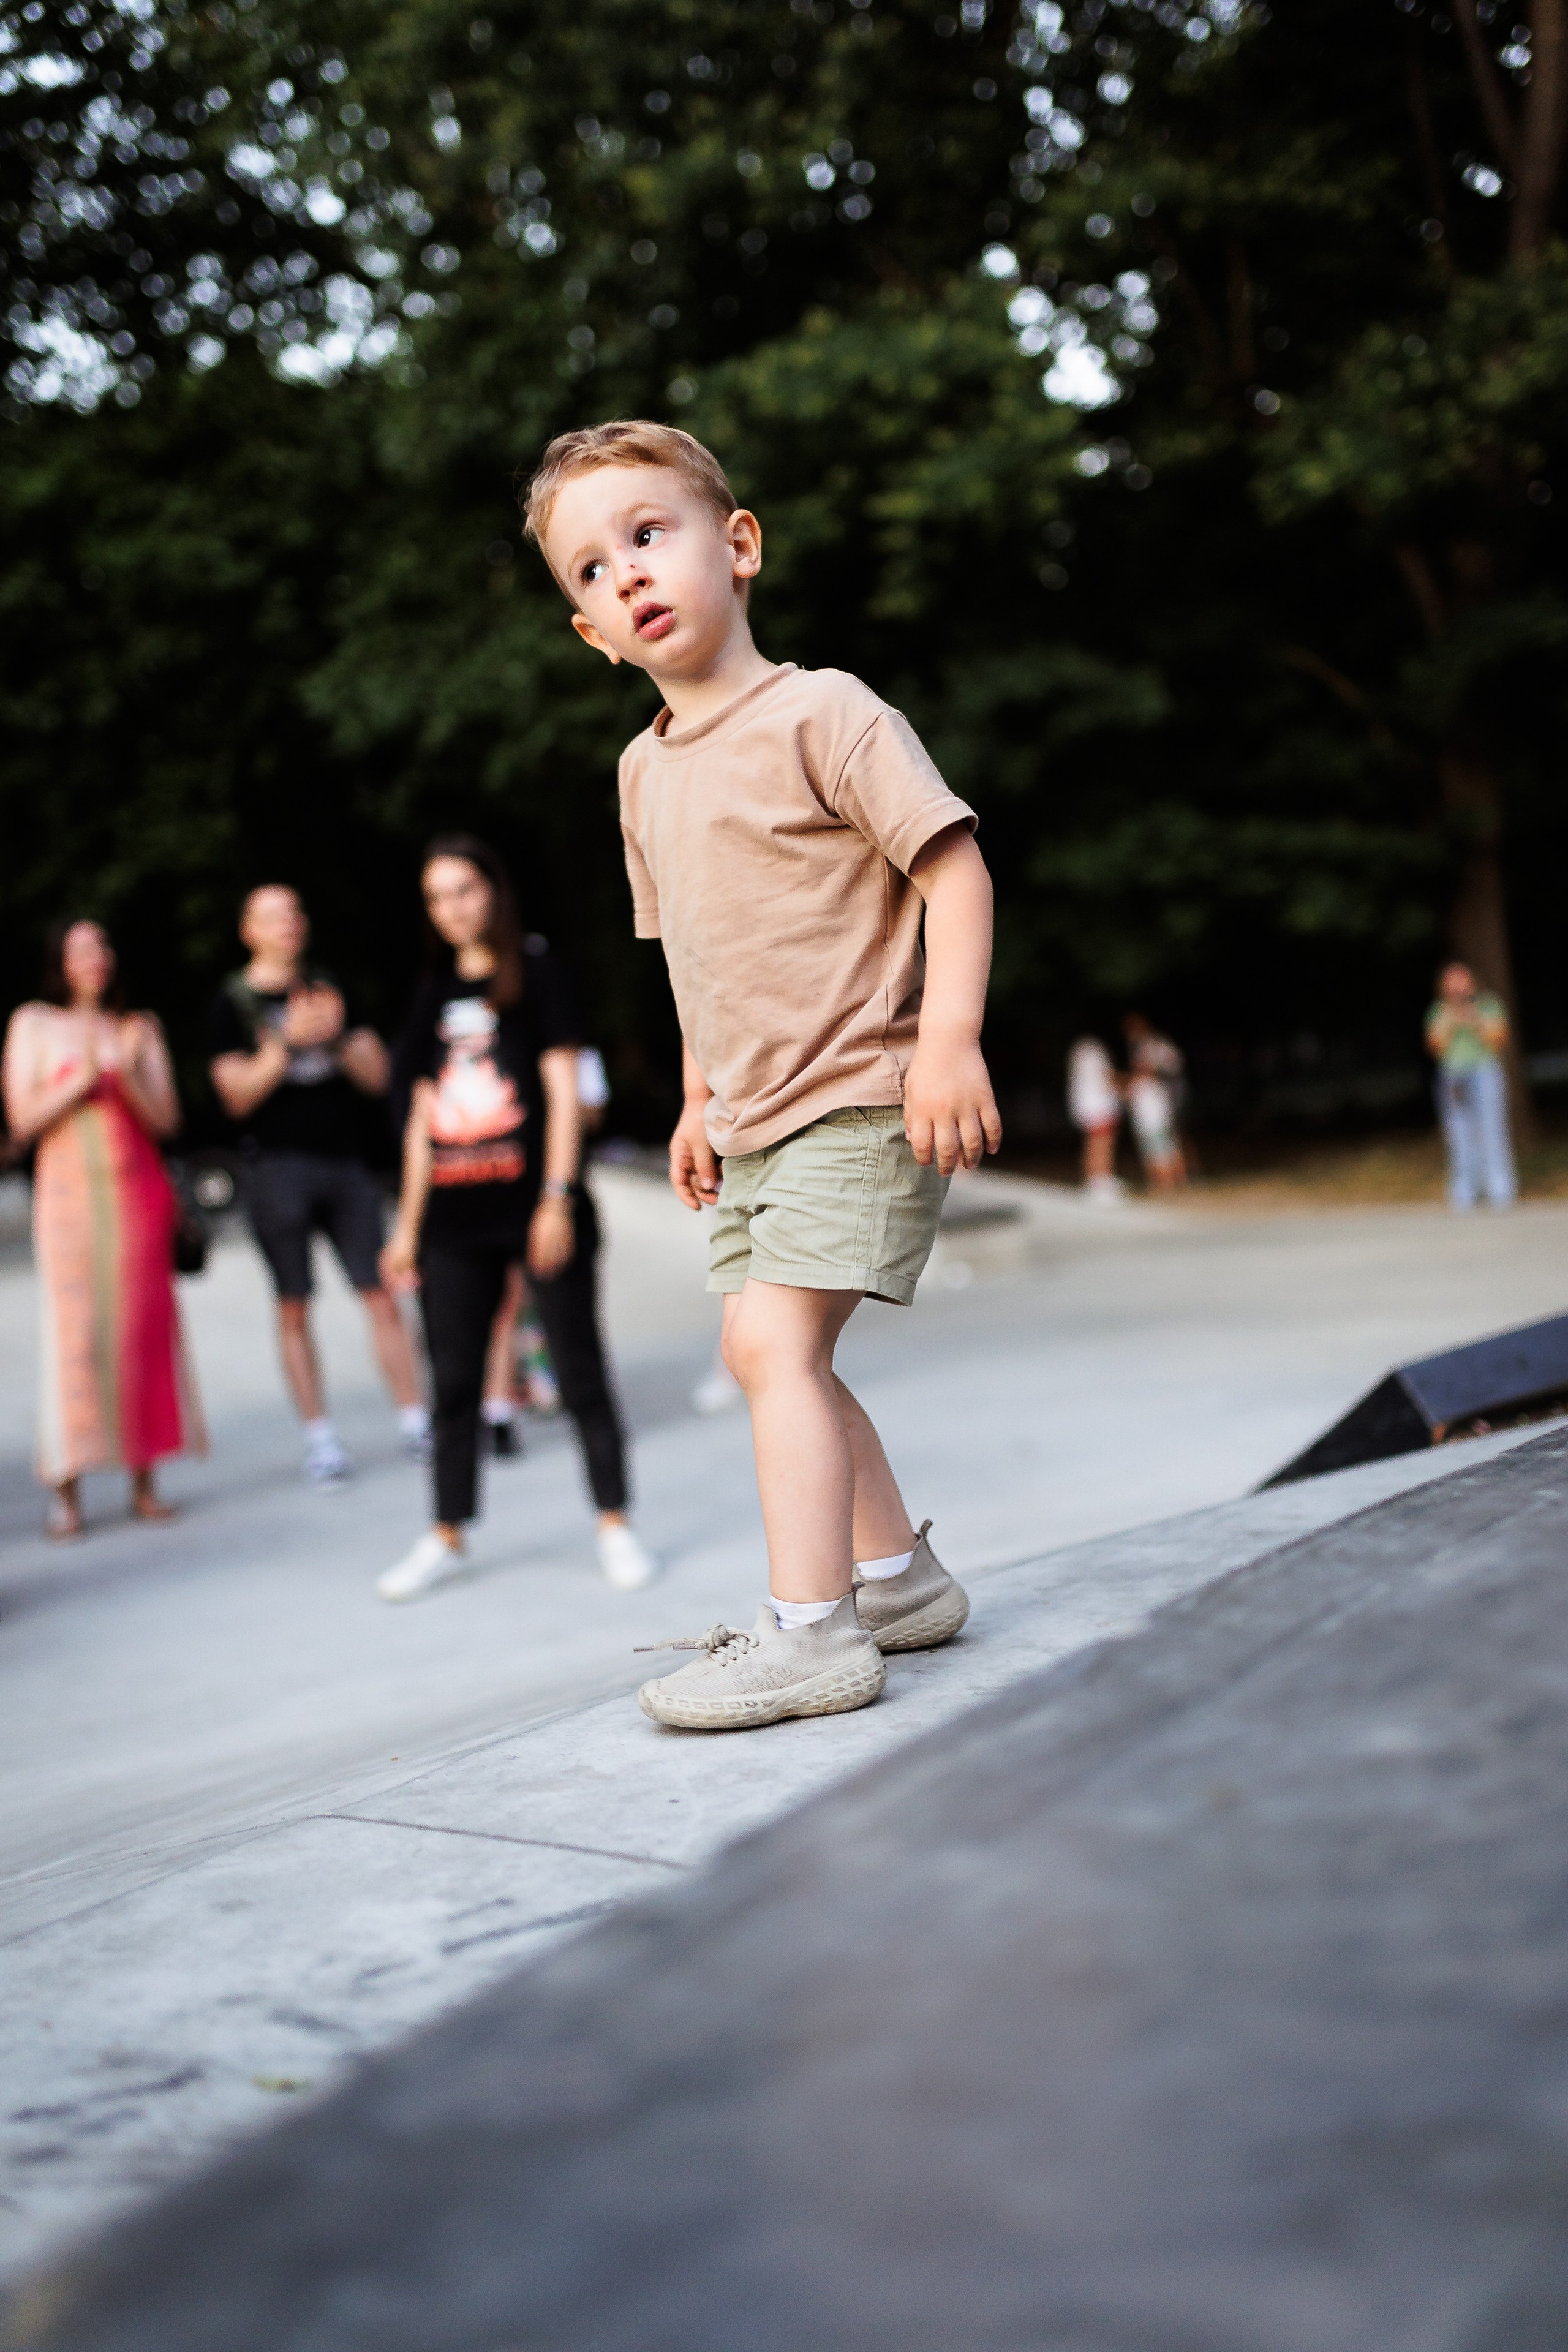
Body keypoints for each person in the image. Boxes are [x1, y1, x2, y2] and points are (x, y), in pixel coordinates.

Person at [524, 418, 1000, 1732]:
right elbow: (696, 956)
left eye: (646, 534)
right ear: (591, 636)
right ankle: (894, 1578)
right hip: (751, 1118)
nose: (622, 574)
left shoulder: (823, 712)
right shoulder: (638, 775)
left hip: (859, 1089)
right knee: (772, 1354)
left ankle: (811, 1635)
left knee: (769, 1343)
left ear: (734, 547)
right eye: (588, 571)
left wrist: (947, 1038)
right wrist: (693, 1098)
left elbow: (951, 868)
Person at [378, 835, 655, 1599]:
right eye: (436, 897)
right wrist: (404, 1229)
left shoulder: (537, 973)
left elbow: (565, 1094)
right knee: (456, 1383)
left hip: (538, 1207)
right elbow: (419, 1124)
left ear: (493, 891)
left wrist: (557, 1198)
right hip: (454, 1222)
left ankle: (614, 1522)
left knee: (577, 1369)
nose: (452, 908)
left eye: (464, 890)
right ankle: (447, 1533)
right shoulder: (430, 992)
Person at [208, 885, 428, 1485]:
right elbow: (235, 1094)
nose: (290, 924)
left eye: (296, 912)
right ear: (248, 929)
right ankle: (320, 1439)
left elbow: (381, 1076)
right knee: (294, 1305)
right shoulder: (233, 1002)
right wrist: (286, 1043)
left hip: (347, 1162)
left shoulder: (332, 989)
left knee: (381, 1291)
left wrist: (333, 1035)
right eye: (273, 916)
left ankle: (414, 1421)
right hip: (275, 1167)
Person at [3, 919, 205, 1539]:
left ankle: (145, 1480)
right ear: (60, 961)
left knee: (141, 1330)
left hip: (136, 1194)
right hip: (67, 1197)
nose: (94, 959)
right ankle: (67, 1488)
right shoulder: (33, 1024)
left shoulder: (137, 1028)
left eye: (102, 948)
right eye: (80, 950)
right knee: (75, 1336)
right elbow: (22, 1121)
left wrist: (131, 1075)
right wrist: (84, 1080)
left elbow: (166, 1121)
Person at [1425, 961, 1517, 1212]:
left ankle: (1500, 1188)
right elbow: (1435, 1046)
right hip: (1454, 1075)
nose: (1457, 987)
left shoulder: (1488, 1005)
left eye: (1462, 981)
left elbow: (1499, 1039)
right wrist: (1452, 1020)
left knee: (1493, 1128)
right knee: (1459, 1133)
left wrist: (1474, 1019)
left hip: (1484, 1071)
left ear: (1471, 983)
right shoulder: (1439, 1011)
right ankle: (1464, 1190)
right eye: (1452, 982)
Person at [1122, 1013, 1188, 1193]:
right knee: (1152, 1143)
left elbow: (1174, 1064)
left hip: (1157, 1102)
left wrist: (1155, 1070)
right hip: (1144, 1103)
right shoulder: (1137, 1048)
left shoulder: (1156, 1044)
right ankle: (1160, 1182)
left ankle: (1170, 1183)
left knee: (1162, 1142)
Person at [1067, 1036, 1124, 1199]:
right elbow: (1107, 1076)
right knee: (1102, 1143)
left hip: (1087, 1106)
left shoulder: (1080, 1049)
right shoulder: (1094, 1049)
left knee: (1095, 1143)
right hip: (1098, 1106)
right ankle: (1100, 1181)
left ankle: (1096, 1179)